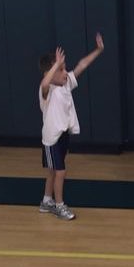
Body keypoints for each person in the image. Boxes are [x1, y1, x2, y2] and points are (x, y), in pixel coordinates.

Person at [38, 33, 104, 220]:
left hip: (63, 135)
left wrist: (98, 50)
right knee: (60, 171)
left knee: (53, 171)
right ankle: (59, 206)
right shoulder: (46, 90)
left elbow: (82, 65)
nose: (65, 72)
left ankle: (46, 201)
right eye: (60, 70)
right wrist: (56, 66)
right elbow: (45, 81)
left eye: (64, 68)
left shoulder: (66, 84)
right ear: (50, 73)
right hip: (51, 139)